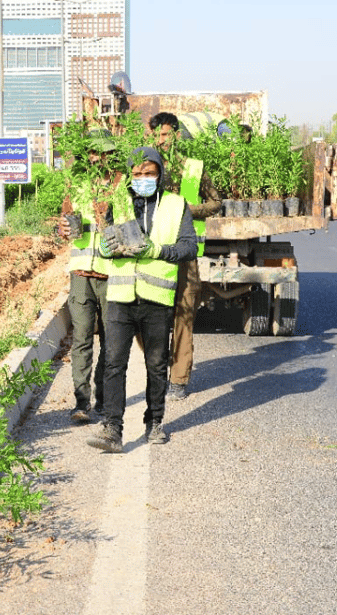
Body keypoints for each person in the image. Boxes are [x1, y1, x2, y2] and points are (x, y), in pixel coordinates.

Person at [86, 147, 198, 452]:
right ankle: (113, 429)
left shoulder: (176, 205)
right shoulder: (119, 203)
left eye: (149, 173)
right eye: (137, 174)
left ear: (160, 175)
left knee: (156, 364)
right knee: (113, 364)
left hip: (157, 298)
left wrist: (157, 251)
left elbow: (190, 247)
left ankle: (155, 422)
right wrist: (106, 250)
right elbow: (104, 243)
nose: (143, 179)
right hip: (121, 296)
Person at [148, 111, 226, 400]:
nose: (161, 140)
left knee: (184, 315)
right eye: (156, 135)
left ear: (176, 135)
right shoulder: (147, 168)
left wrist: (189, 210)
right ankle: (159, 365)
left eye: (165, 134)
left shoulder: (193, 168)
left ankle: (178, 379)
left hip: (185, 254)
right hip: (154, 253)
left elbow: (216, 202)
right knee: (149, 317)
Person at [58, 130, 122, 422]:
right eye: (94, 154)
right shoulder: (79, 184)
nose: (99, 159)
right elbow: (64, 220)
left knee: (111, 340)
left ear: (111, 155)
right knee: (82, 337)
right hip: (81, 273)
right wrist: (62, 228)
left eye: (104, 153)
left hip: (112, 273)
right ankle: (81, 402)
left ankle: (104, 398)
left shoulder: (122, 185)